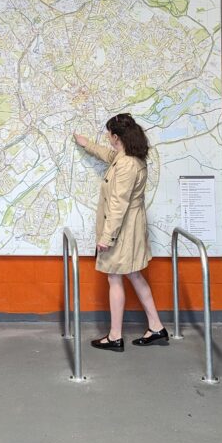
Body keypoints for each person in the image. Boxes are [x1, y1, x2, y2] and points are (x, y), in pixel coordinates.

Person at [73, 113, 168, 352]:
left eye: (109, 134)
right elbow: (108, 156)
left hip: (123, 229)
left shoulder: (126, 165)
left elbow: (118, 204)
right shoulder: (130, 157)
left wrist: (107, 237)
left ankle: (115, 336)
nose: (107, 138)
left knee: (114, 277)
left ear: (116, 136)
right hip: (131, 226)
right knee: (135, 275)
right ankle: (156, 327)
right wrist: (87, 145)